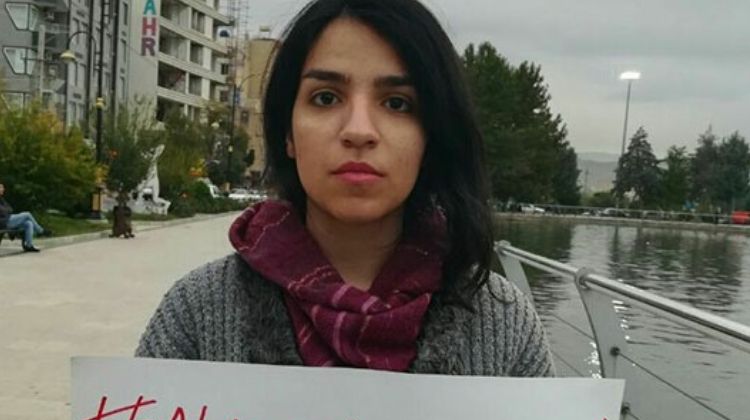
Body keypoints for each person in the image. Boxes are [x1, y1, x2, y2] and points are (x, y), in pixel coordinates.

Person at [137, 0, 554, 377]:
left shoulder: (505, 325)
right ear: (287, 133)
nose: (358, 130)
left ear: (432, 136)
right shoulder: (196, 314)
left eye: (397, 103)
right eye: (325, 98)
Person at [0, 182, 44, 252]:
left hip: (8, 218)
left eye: (3, 187)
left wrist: (5, 210)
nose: (3, 189)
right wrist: (6, 210)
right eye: (1, 187)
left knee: (28, 223)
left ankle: (29, 246)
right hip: (4, 222)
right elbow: (4, 210)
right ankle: (40, 231)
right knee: (27, 214)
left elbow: (10, 209)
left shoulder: (2, 199)